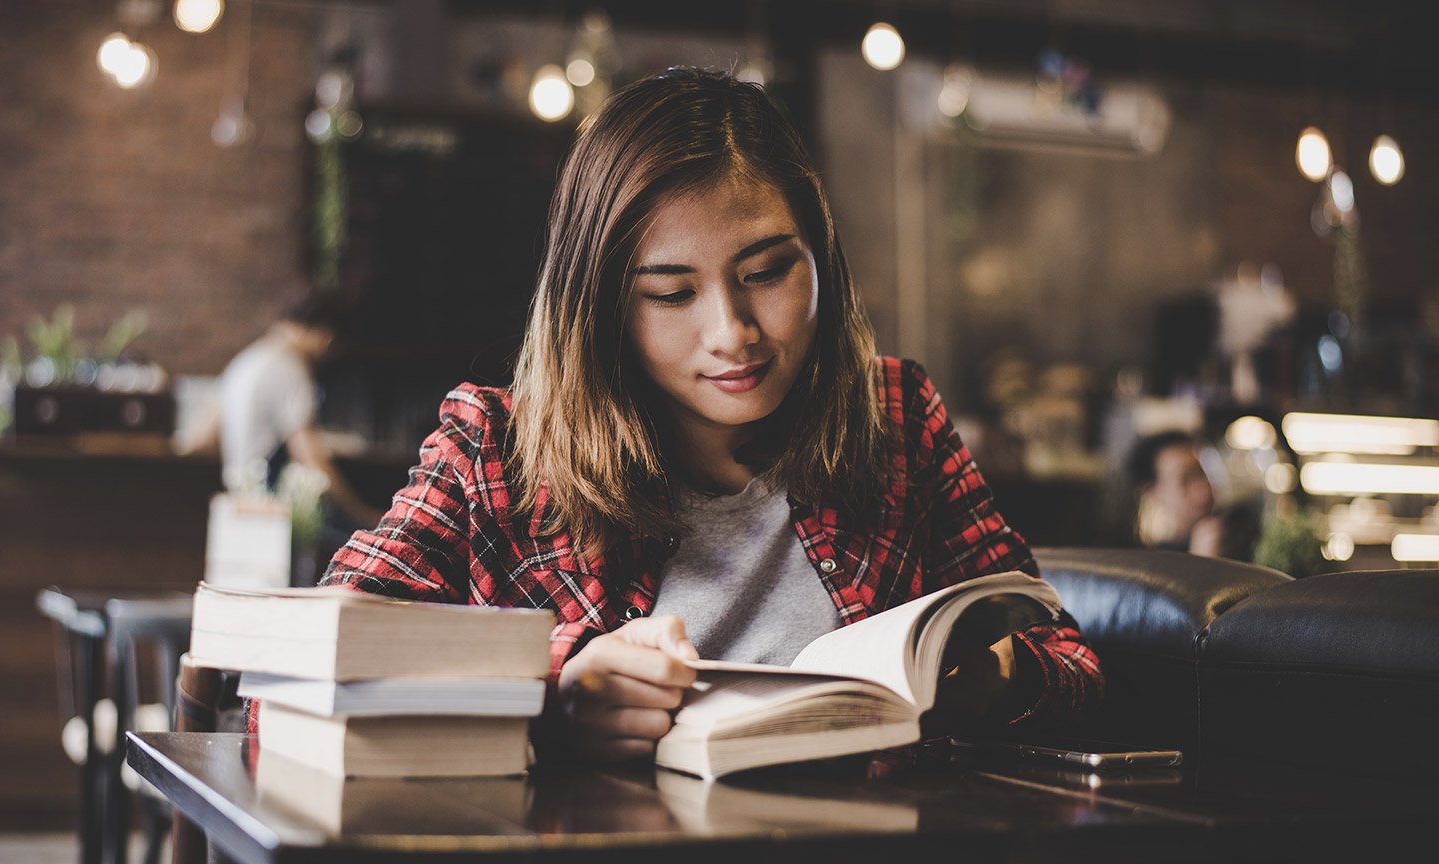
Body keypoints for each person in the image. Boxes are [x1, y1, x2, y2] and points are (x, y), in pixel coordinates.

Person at [304, 67, 1103, 761]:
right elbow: (310, 673)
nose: (733, 335)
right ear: (602, 307)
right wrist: (556, 687)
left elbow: (1074, 668)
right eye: (672, 294)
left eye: (767, 272)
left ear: (820, 256)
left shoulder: (894, 417)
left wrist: (999, 679)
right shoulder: (495, 452)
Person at [180, 293, 385, 533]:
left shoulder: (246, 360)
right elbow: (311, 461)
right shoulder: (291, 367)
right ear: (326, 337)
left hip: (237, 505)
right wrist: (362, 514)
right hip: (271, 514)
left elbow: (200, 437)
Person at [1126, 430, 1256, 560]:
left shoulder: (1245, 530)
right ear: (1152, 494)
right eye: (1185, 481)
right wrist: (1202, 562)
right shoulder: (1156, 564)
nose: (1202, 488)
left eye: (1202, 472)